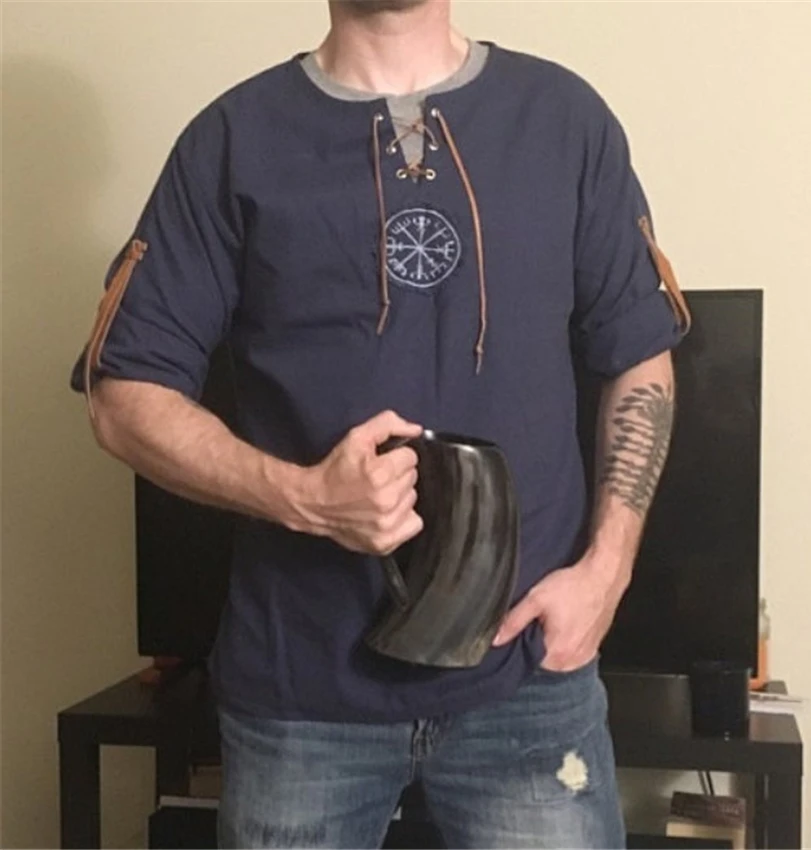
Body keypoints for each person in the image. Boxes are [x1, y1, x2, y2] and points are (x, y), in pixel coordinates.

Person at [71, 1, 690, 847]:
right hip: (301, 694)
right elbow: (122, 397)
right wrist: (303, 497)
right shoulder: (232, 140)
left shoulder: (564, 119)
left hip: (529, 680)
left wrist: (607, 573)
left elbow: (640, 357)